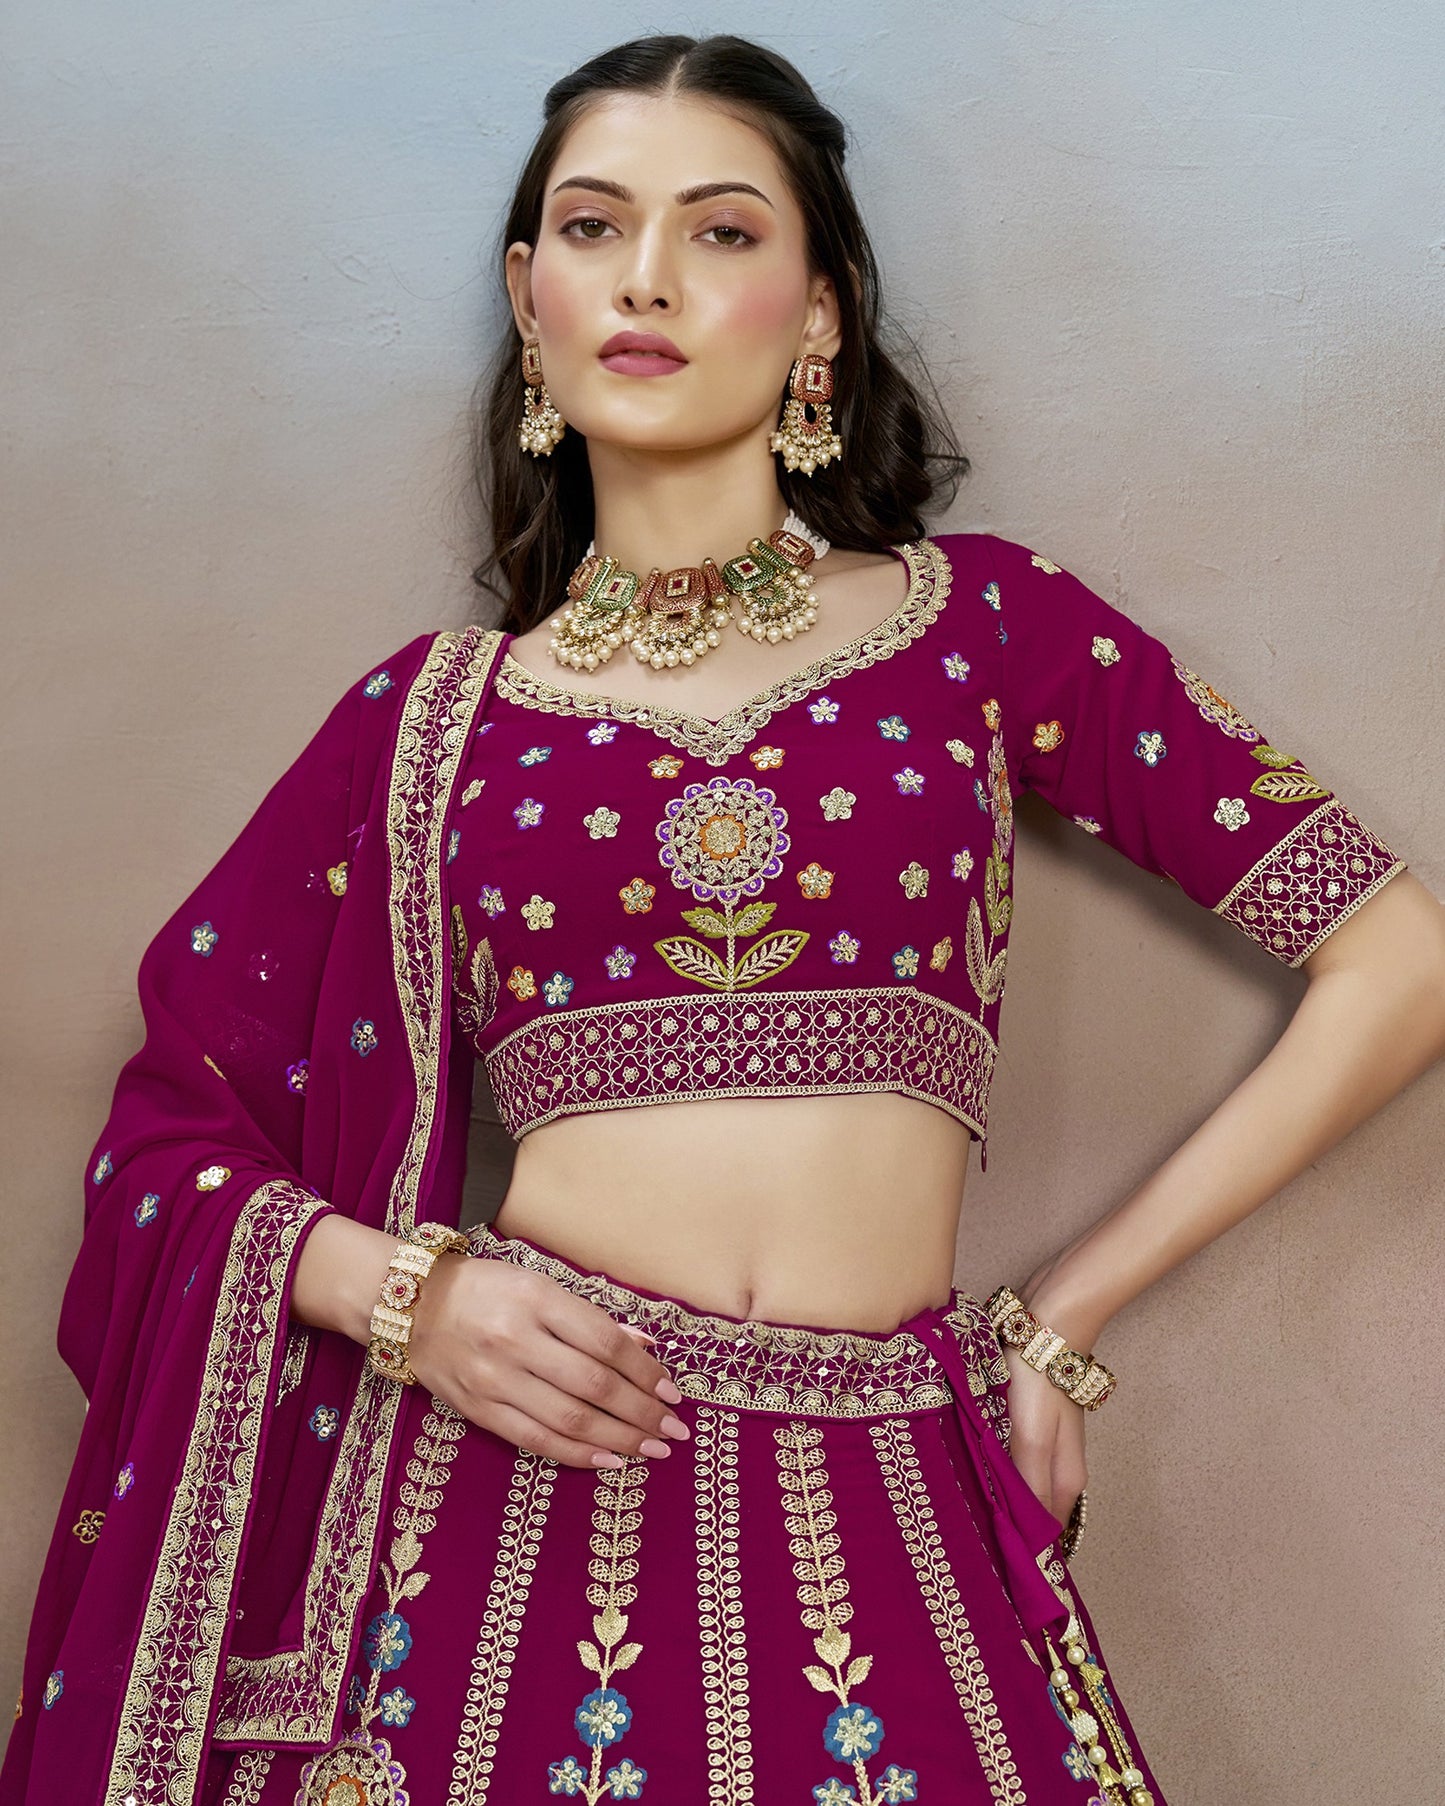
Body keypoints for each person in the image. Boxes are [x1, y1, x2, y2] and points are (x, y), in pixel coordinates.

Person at [6, 31, 1444, 1806]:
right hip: (510, 1502)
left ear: (820, 309)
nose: (652, 279)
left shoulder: (985, 632)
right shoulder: (435, 721)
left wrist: (1063, 1317)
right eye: (595, 229)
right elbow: (167, 1141)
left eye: (723, 231)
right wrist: (406, 1296)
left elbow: (1398, 958)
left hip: (894, 1501)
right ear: (529, 299)